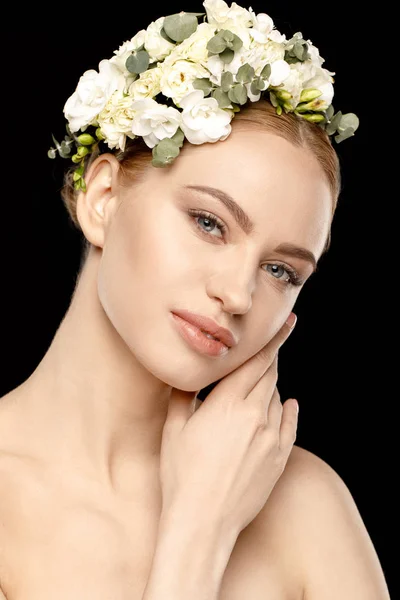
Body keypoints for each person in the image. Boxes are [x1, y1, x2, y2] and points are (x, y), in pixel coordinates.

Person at [0, 1, 390, 599]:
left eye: (282, 270)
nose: (237, 294)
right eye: (210, 223)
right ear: (102, 197)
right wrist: (196, 537)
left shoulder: (310, 510)